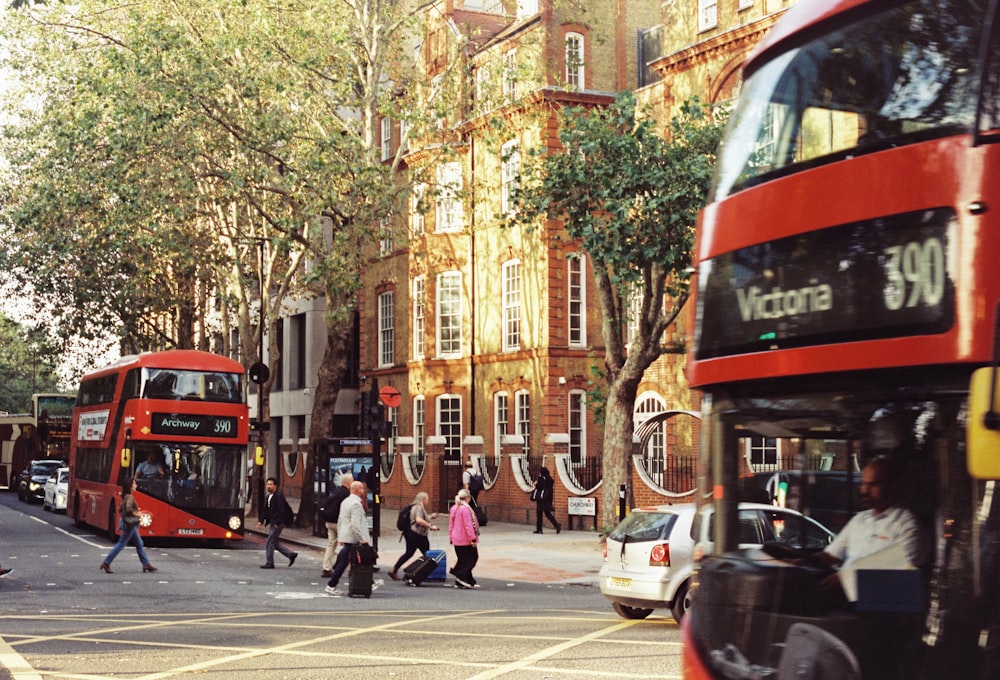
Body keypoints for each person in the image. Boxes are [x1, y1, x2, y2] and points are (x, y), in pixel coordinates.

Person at [811, 456, 926, 585]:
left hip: (877, 598)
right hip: (843, 595)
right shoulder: (858, 520)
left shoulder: (907, 525)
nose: (865, 491)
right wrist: (800, 563)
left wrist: (845, 578)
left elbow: (898, 565)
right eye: (863, 484)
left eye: (873, 485)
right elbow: (831, 555)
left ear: (893, 487)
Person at [99, 477, 157, 574]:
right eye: (134, 484)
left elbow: (121, 509)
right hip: (130, 524)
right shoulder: (130, 497)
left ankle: (146, 564)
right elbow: (128, 509)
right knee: (121, 544)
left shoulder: (125, 496)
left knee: (139, 543)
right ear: (130, 486)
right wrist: (137, 513)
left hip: (130, 524)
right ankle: (106, 562)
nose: (136, 486)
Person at [325, 480, 372, 596]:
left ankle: (367, 581)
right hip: (353, 538)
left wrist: (341, 536)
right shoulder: (356, 504)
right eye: (361, 488)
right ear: (356, 490)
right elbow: (355, 523)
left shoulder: (346, 501)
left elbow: (340, 519)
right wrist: (362, 539)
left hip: (347, 536)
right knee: (346, 561)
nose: (363, 490)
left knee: (347, 560)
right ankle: (332, 584)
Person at [388, 491, 439, 580]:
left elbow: (417, 519)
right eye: (427, 499)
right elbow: (418, 520)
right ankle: (424, 572)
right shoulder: (419, 508)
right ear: (423, 499)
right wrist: (431, 526)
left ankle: (395, 569)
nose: (428, 501)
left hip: (411, 533)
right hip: (418, 534)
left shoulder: (414, 507)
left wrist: (430, 517)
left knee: (409, 553)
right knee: (427, 554)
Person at [256, 477, 298, 569]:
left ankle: (270, 562)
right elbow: (265, 511)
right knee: (274, 543)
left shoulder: (278, 496)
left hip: (277, 523)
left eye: (271, 484)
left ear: (275, 486)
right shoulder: (269, 496)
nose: (268, 486)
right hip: (273, 522)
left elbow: (282, 511)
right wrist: (260, 521)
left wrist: (278, 522)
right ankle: (290, 555)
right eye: (267, 484)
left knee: (269, 541)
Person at [320, 472, 353, 577]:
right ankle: (351, 568)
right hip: (339, 523)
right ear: (348, 482)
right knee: (350, 545)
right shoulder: (347, 494)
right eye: (352, 480)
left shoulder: (336, 491)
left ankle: (326, 568)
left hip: (329, 522)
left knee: (331, 545)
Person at [448, 488, 480, 589]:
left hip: (456, 538)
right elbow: (468, 525)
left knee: (463, 559)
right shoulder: (465, 509)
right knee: (472, 558)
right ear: (468, 498)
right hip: (465, 539)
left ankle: (469, 580)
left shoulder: (454, 508)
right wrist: (473, 539)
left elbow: (451, 524)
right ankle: (459, 575)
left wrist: (451, 536)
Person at [532, 466, 561, 534]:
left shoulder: (541, 479)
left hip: (541, 498)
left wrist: (536, 484)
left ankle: (539, 529)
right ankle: (556, 525)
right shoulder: (549, 479)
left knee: (539, 513)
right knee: (547, 513)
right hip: (548, 498)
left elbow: (539, 487)